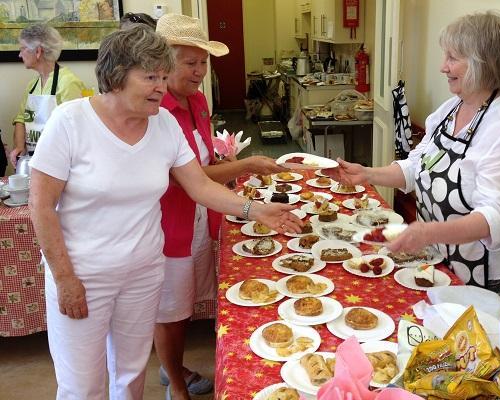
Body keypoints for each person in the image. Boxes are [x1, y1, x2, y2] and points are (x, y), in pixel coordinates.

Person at [28, 25, 301, 400]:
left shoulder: (164, 124)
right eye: (150, 76)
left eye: (162, 75)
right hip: (85, 273)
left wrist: (255, 210)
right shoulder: (70, 122)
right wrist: (65, 278)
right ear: (117, 76)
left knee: (130, 374)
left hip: (143, 270)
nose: (160, 85)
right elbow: (41, 206)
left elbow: (200, 186)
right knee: (82, 386)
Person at [326, 11, 500, 307]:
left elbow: (495, 219)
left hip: (491, 270)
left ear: (483, 63)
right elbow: (418, 165)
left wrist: (426, 232)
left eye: (453, 57)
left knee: (480, 345)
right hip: (445, 253)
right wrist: (366, 174)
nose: (443, 67)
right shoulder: (453, 108)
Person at [153, 13, 287, 399]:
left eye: (203, 62)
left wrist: (235, 176)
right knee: (171, 313)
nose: (198, 72)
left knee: (188, 301)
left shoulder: (196, 101)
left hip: (200, 215)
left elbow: (206, 164)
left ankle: (172, 366)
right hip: (169, 226)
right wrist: (246, 165)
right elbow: (187, 176)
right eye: (189, 62)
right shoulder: (157, 109)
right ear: (163, 61)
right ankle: (176, 384)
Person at [10, 23, 85, 167]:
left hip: (60, 162)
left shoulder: (68, 83)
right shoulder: (32, 86)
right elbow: (21, 119)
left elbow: (77, 129)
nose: (20, 54)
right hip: (35, 159)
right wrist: (19, 146)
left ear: (38, 51)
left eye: (23, 49)